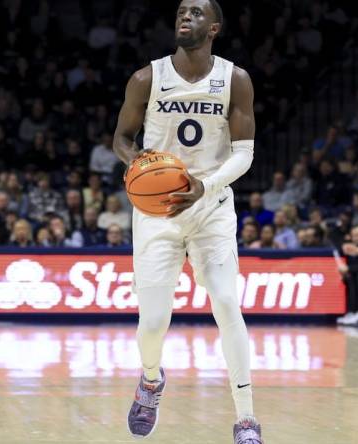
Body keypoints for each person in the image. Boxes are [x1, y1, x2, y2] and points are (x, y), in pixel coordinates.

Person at [112, 1, 263, 441]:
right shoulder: (147, 78)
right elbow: (122, 138)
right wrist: (135, 161)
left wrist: (207, 185)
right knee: (154, 321)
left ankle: (246, 417)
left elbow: (244, 154)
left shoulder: (234, 79)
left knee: (226, 300)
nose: (185, 17)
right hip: (156, 212)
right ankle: (152, 379)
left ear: (214, 27)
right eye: (181, 11)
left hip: (211, 205)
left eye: (196, 13)